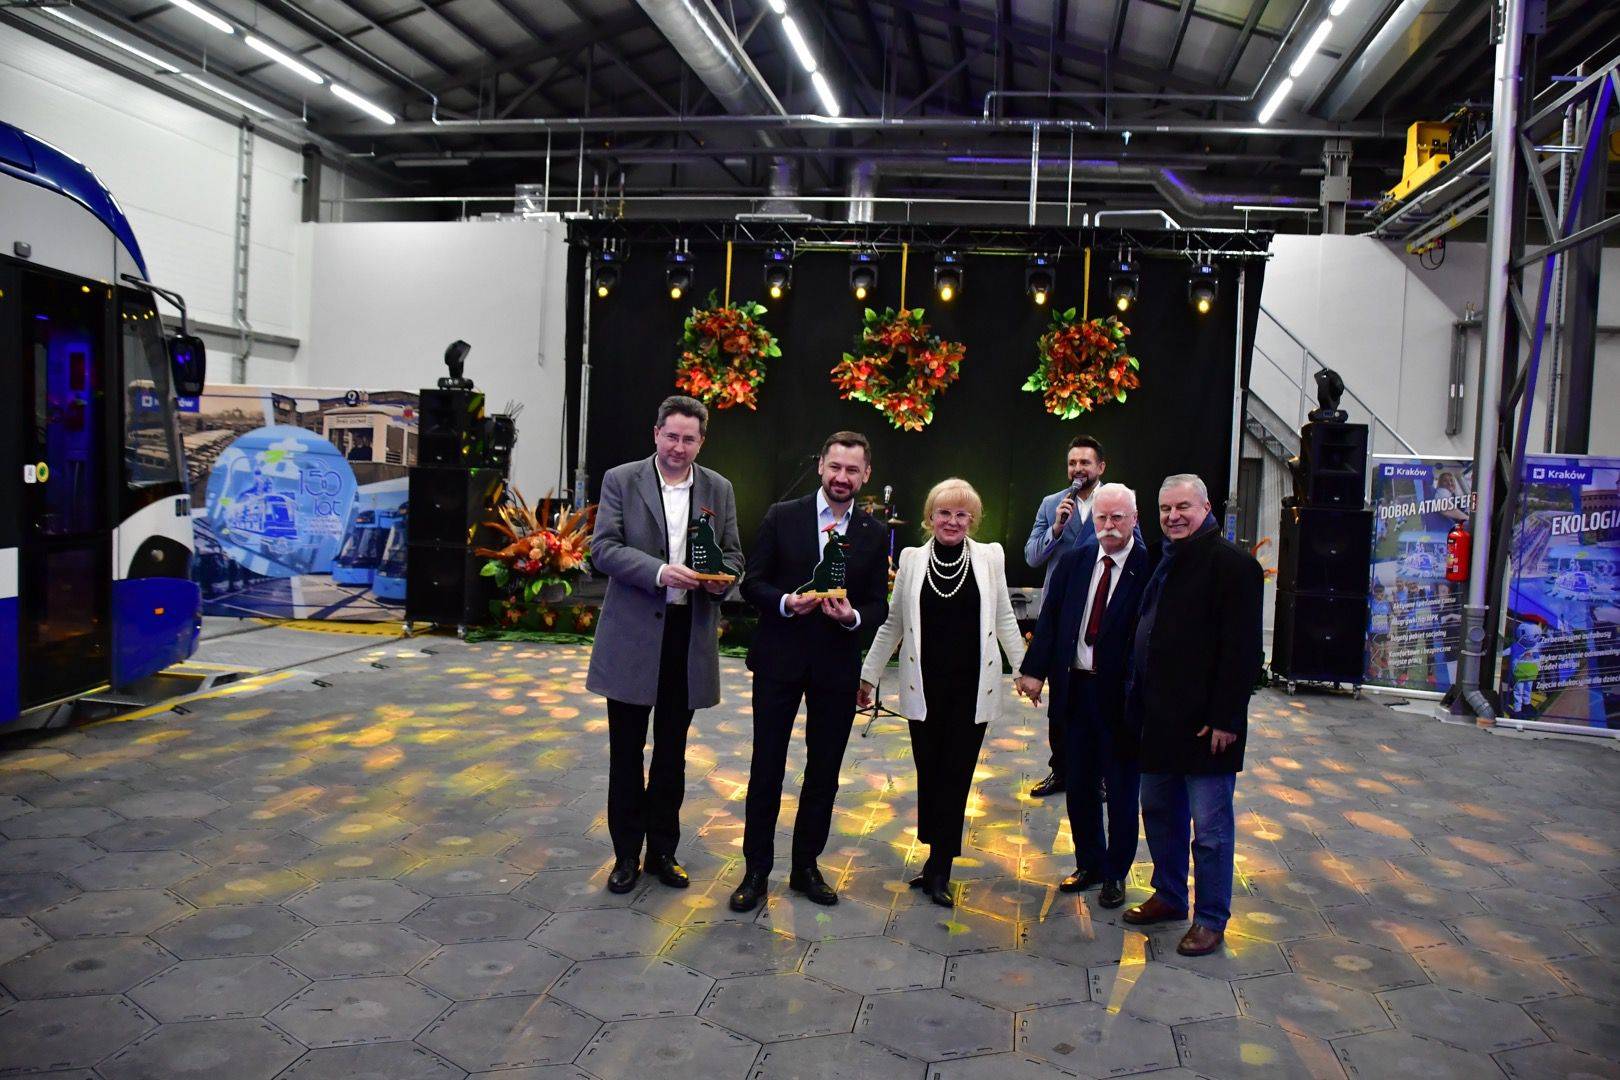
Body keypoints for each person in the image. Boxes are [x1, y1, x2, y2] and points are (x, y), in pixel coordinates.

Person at [586, 395, 742, 895]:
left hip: (686, 635)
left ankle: (663, 852)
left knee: (673, 753)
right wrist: (659, 572)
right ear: (656, 434)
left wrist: (721, 579)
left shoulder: (718, 488)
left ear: (702, 442)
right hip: (632, 635)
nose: (678, 447)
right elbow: (603, 548)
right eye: (671, 436)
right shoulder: (621, 479)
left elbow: (734, 556)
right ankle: (625, 855)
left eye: (688, 439)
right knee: (626, 752)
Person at [731, 432, 890, 912]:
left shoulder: (873, 531)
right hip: (779, 660)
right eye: (835, 466)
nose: (842, 477)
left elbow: (878, 604)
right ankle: (756, 871)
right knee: (766, 767)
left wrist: (853, 617)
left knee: (824, 771)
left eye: (852, 470)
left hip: (836, 666)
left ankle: (805, 867)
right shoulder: (783, 515)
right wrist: (785, 602)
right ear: (821, 465)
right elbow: (753, 582)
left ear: (866, 475)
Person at [859, 479, 1027, 906]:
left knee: (956, 774)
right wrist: (868, 676)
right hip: (924, 687)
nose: (952, 521)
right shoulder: (912, 560)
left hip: (972, 690)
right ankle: (934, 855)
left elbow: (1005, 618)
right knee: (929, 773)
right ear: (929, 517)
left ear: (973, 520)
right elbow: (893, 624)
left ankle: (940, 867)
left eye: (962, 514)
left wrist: (1025, 670)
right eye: (944, 513)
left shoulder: (990, 557)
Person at [1121, 474, 1264, 957]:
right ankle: (1169, 895)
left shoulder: (1234, 566)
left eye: (1183, 507)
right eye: (1165, 509)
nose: (1173, 516)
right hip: (1159, 720)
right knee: (1160, 813)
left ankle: (1210, 919)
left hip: (1208, 727)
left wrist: (1227, 718)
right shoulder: (1165, 559)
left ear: (1205, 508)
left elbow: (1243, 651)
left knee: (1211, 831)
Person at [1016, 483, 1150, 910]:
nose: (1109, 526)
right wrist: (1033, 671)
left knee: (1122, 791)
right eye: (1101, 518)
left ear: (1134, 519)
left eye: (1118, 518)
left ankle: (1116, 873)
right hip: (1074, 691)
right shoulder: (1075, 562)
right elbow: (1051, 620)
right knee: (1079, 786)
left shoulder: (1148, 568)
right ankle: (1089, 863)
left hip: (1122, 699)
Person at [1022, 435, 1108, 798]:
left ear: (1100, 466)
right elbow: (1031, 556)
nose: (1078, 469)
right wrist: (1056, 529)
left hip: (1100, 609)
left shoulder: (1115, 501)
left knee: (1098, 696)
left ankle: (1098, 775)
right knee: (1060, 696)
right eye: (1073, 463)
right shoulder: (1052, 504)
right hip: (1059, 614)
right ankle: (1060, 770)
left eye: (1085, 463)